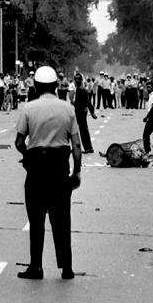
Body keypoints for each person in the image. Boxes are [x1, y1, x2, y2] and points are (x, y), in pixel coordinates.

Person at [15, 66, 81, 280]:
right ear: (55, 86)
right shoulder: (68, 109)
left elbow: (18, 142)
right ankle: (67, 267)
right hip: (60, 166)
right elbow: (77, 145)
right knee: (62, 220)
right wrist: (77, 171)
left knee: (36, 220)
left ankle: (36, 267)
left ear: (35, 86)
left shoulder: (28, 108)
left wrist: (28, 157)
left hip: (36, 169)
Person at [73, 72, 97, 154]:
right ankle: (88, 148)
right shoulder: (79, 88)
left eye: (78, 79)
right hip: (80, 111)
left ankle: (88, 148)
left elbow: (87, 102)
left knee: (83, 131)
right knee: (83, 130)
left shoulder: (81, 89)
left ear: (81, 80)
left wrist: (92, 112)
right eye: (75, 79)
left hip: (81, 112)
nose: (76, 81)